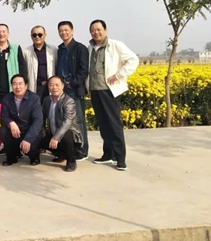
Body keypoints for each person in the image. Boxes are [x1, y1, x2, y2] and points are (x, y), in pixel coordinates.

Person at [88, 20, 139, 171]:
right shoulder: (90, 47)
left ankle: (120, 158)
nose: (96, 32)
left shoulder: (116, 45)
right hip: (95, 90)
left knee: (114, 124)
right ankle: (108, 154)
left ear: (105, 30)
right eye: (93, 30)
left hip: (109, 91)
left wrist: (118, 75)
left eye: (98, 29)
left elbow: (133, 60)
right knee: (103, 124)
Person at [56, 21, 90, 160]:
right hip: (61, 90)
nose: (63, 33)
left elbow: (84, 70)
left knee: (79, 121)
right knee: (63, 120)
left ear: (72, 31)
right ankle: (67, 150)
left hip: (74, 90)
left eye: (66, 30)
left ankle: (82, 150)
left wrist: (73, 83)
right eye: (61, 30)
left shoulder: (80, 48)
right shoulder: (60, 49)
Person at [40, 76, 83, 172]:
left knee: (65, 134)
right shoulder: (47, 100)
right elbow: (41, 116)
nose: (54, 88)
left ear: (63, 86)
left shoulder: (69, 101)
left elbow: (67, 122)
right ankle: (60, 153)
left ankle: (71, 161)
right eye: (51, 85)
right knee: (37, 136)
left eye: (57, 85)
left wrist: (56, 137)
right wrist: (42, 129)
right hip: (53, 132)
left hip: (70, 134)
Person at [0, 74, 43, 166]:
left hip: (29, 130)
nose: (17, 87)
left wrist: (28, 139)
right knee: (3, 130)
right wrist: (10, 122)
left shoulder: (34, 98)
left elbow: (38, 120)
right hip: (15, 130)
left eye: (20, 84)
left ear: (26, 85)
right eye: (14, 84)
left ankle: (34, 157)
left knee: (30, 148)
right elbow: (3, 117)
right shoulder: (7, 98)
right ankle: (11, 157)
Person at [0, 24, 28, 104]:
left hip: (14, 88)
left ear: (8, 33)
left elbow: (22, 67)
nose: (1, 34)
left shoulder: (16, 48)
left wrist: (24, 84)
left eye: (4, 31)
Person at [24, 25, 57, 102]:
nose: (37, 37)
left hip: (49, 86)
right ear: (31, 37)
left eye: (40, 34)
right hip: (34, 86)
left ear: (45, 35)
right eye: (34, 35)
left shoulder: (53, 50)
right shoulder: (26, 52)